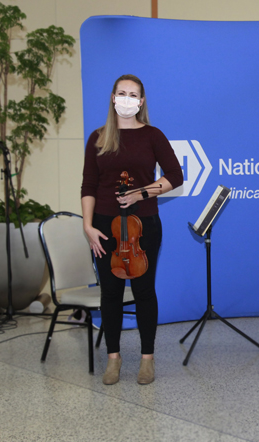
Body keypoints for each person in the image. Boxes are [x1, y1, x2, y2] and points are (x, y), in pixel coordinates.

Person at [81, 74, 183, 386]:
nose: (127, 99)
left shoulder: (152, 135)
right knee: (110, 293)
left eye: (133, 94)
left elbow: (175, 176)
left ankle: (147, 359)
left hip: (144, 225)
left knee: (143, 292)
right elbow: (89, 185)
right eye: (121, 93)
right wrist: (87, 226)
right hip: (104, 225)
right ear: (113, 98)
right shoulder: (98, 137)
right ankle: (113, 358)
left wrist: (143, 192)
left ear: (141, 101)